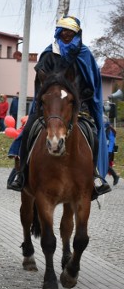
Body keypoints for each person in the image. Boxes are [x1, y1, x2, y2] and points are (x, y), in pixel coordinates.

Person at [7, 16, 111, 199]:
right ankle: (21, 172)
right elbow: (39, 80)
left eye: (70, 31)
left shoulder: (85, 54)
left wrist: (78, 99)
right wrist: (45, 98)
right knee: (30, 129)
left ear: (76, 33)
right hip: (50, 105)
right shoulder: (49, 53)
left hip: (78, 105)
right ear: (58, 32)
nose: (66, 34)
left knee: (92, 133)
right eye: (63, 30)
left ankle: (95, 176)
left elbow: (91, 84)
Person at [105, 117, 119, 186]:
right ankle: (114, 176)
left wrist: (109, 151)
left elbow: (110, 142)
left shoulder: (109, 131)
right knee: (104, 165)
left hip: (108, 150)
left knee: (104, 165)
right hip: (108, 150)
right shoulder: (109, 130)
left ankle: (115, 176)